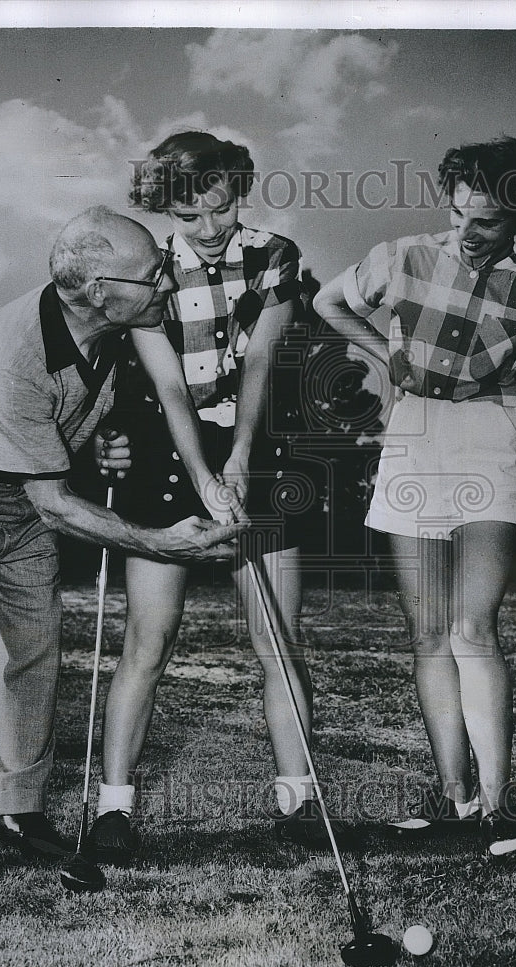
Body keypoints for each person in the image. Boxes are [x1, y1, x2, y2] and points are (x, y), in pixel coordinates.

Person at [0, 206, 240, 881]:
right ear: (96, 288)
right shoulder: (12, 355)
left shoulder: (128, 315)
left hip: (17, 487)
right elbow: (54, 505)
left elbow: (161, 390)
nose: (166, 282)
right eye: (151, 274)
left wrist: (122, 445)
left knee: (29, 644)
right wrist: (165, 544)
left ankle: (12, 807)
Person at [313, 137, 516, 859]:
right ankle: (453, 799)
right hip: (413, 434)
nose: (465, 231)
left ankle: (496, 806)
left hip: (491, 438)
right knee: (425, 632)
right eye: (458, 213)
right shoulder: (401, 256)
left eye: (483, 221)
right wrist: (383, 359)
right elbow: (329, 302)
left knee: (470, 628)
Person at [83, 131, 324, 864]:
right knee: (147, 642)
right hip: (166, 449)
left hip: (259, 444)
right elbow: (167, 388)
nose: (209, 230)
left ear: (235, 190)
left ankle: (298, 802)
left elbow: (258, 364)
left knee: (276, 643)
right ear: (167, 212)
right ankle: (113, 810)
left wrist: (242, 458)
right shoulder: (151, 275)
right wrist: (203, 479)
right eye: (189, 219)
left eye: (218, 210)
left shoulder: (274, 256)